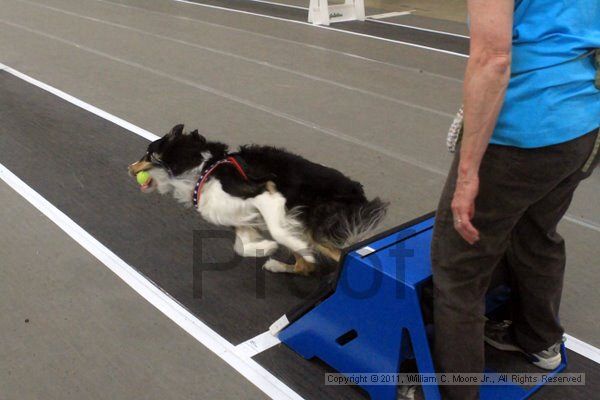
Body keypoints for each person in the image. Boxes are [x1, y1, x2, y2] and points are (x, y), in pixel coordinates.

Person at [431, 1, 600, 399]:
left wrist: (468, 173)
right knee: (536, 230)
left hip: (524, 133)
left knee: (459, 270)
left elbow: (493, 59)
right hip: (582, 124)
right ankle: (540, 340)